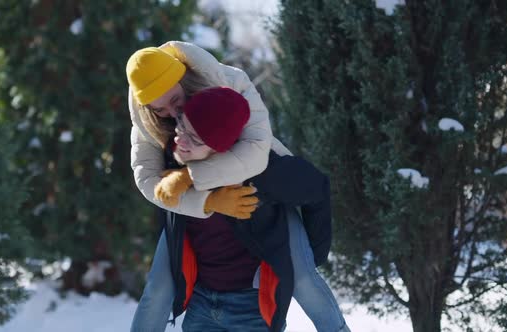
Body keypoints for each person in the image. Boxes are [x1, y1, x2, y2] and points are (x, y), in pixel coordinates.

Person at [126, 42, 347, 331]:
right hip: (194, 208)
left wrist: (190, 177)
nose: (171, 112)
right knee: (157, 289)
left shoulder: (229, 82)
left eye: (175, 100)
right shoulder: (150, 122)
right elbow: (149, 181)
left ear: (185, 80)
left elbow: (255, 153)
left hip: (262, 180)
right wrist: (207, 202)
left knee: (303, 276)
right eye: (159, 109)